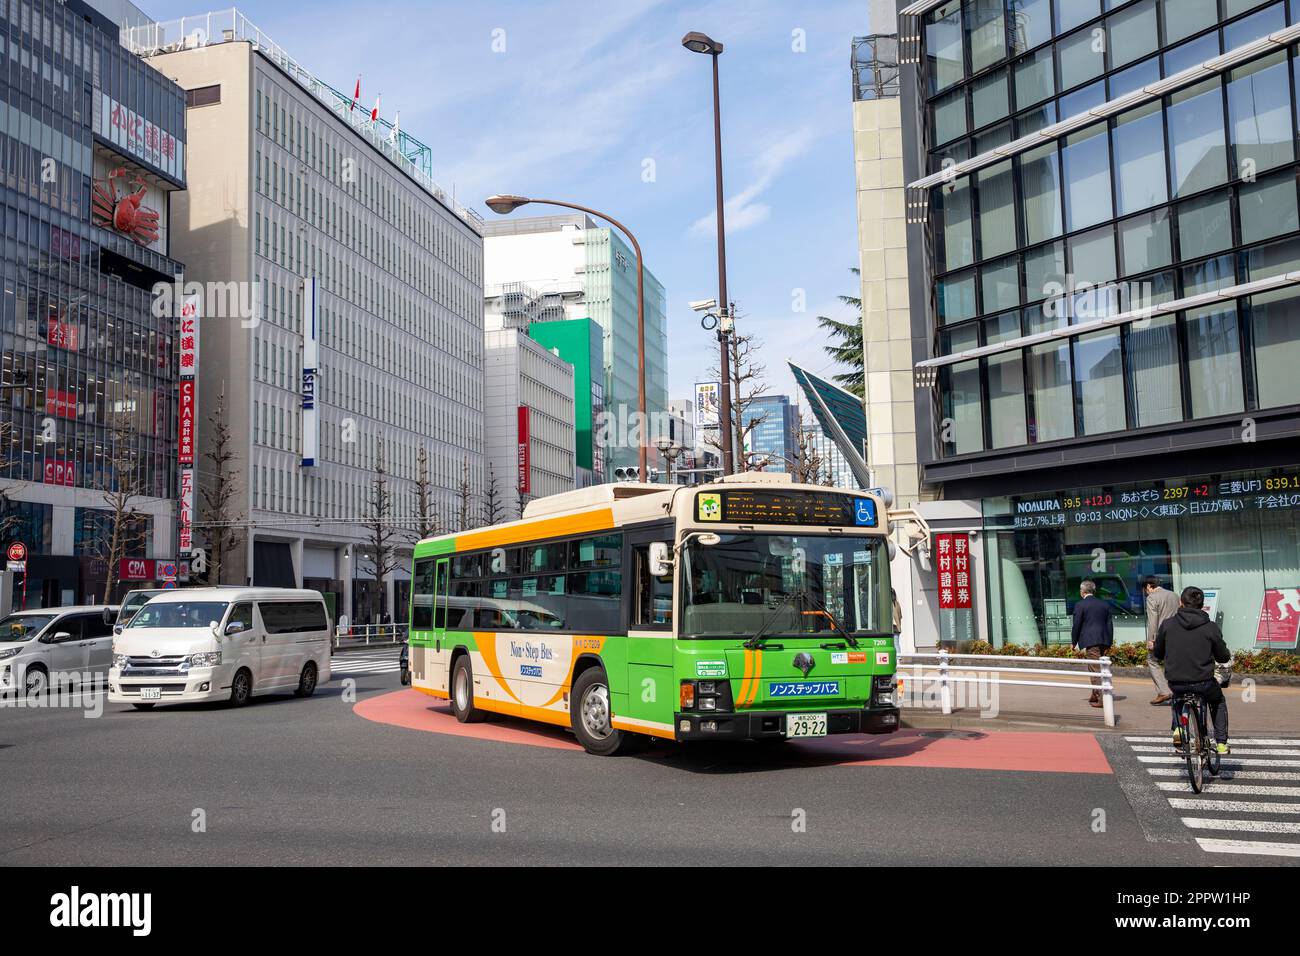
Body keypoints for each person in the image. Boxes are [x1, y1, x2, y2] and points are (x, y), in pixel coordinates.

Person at [1153, 586, 1231, 754]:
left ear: (1181, 603)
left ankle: (1179, 730)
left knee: (1178, 698)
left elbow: (1158, 653)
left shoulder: (1167, 625)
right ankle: (1221, 743)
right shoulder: (1211, 627)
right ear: (1202, 605)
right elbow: (1223, 657)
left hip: (1176, 681)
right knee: (1218, 701)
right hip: (1203, 682)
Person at [1071, 579, 1114, 709]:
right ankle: (1095, 694)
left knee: (1095, 669)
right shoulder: (1104, 604)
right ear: (1093, 591)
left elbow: (1076, 625)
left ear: (1082, 591)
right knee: (1095, 667)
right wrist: (1109, 642)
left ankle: (1102, 698)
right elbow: (1109, 625)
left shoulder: (1080, 605)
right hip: (1104, 640)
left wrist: (1074, 642)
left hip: (1091, 640)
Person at [1144, 576, 1179, 705]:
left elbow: (1153, 621)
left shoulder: (1152, 598)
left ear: (1148, 586)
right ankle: (1174, 691)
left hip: (1161, 636)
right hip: (1176, 634)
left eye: (1145, 589)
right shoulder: (1174, 595)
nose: (1146, 592)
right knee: (1171, 661)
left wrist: (1151, 640)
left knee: (1152, 660)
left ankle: (1164, 691)